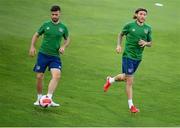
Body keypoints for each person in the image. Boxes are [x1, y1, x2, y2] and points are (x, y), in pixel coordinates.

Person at [103, 8, 152, 113]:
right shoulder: (129, 25)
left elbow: (150, 43)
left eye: (145, 14)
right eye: (141, 14)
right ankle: (131, 106)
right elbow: (121, 34)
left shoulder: (148, 28)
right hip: (128, 56)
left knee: (125, 77)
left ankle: (110, 80)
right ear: (137, 15)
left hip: (138, 58)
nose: (143, 16)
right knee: (130, 81)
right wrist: (118, 45)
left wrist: (146, 43)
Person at [29, 5, 70, 107]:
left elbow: (67, 38)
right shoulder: (46, 25)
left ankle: (48, 98)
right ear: (50, 14)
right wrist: (32, 46)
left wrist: (64, 46)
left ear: (59, 14)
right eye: (52, 14)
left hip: (55, 56)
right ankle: (39, 98)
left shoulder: (63, 27)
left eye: (56, 14)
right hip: (43, 54)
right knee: (39, 76)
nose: (54, 16)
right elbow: (36, 35)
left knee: (57, 75)